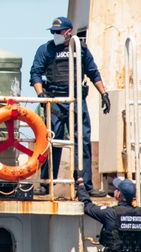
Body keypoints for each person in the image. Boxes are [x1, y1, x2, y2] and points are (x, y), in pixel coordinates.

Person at [30, 16, 110, 195]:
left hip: (77, 101)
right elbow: (35, 73)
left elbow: (93, 72)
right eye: (52, 32)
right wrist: (41, 95)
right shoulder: (45, 50)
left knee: (83, 141)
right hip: (56, 102)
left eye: (57, 32)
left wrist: (104, 94)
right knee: (52, 141)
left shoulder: (81, 49)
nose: (54, 35)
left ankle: (85, 185)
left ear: (68, 32)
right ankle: (45, 183)